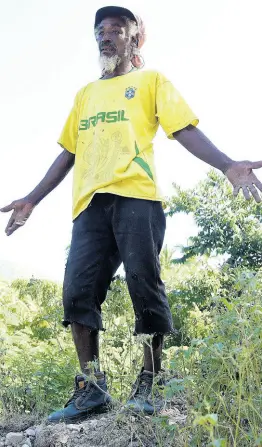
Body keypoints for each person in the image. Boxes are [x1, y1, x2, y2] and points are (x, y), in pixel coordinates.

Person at [1, 5, 262, 423]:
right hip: (89, 204)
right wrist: (32, 199)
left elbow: (184, 130)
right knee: (76, 292)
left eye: (117, 30)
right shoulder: (85, 95)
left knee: (144, 284)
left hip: (138, 198)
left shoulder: (150, 81)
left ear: (134, 38)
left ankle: (152, 380)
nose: (106, 36)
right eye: (100, 31)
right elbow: (68, 151)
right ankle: (90, 388)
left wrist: (228, 164)